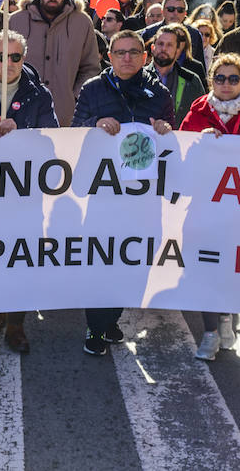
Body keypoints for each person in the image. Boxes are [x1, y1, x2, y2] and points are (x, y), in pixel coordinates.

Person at [71, 30, 174, 357]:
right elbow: (74, 133)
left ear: (144, 57)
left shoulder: (159, 93)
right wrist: (95, 123)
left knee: (136, 262)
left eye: (133, 52)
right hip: (105, 194)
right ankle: (96, 325)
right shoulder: (93, 89)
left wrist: (166, 131)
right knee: (102, 259)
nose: (127, 57)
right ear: (109, 57)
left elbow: (172, 143)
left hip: (143, 198)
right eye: (120, 52)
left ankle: (112, 315)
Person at [0, 30, 58, 353]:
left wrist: (22, 132)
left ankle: (16, 323)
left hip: (24, 192)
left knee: (20, 258)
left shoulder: (38, 95)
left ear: (23, 59)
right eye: (2, 56)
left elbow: (52, 138)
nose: (9, 63)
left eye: (16, 57)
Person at [179, 53, 240, 360]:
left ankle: (225, 317)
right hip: (204, 212)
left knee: (235, 273)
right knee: (205, 270)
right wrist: (197, 141)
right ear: (211, 81)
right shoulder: (196, 115)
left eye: (234, 79)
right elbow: (180, 160)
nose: (226, 84)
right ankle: (209, 332)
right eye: (220, 78)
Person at [9, 0, 102, 127]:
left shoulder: (82, 22)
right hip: (22, 112)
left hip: (65, 114)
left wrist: (74, 95)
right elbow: (4, 63)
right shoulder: (17, 20)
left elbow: (91, 67)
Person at [148, 24, 203, 124]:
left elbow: (202, 116)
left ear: (178, 51)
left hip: (181, 138)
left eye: (169, 45)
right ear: (153, 47)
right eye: (160, 44)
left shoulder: (191, 80)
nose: (164, 49)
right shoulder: (138, 77)